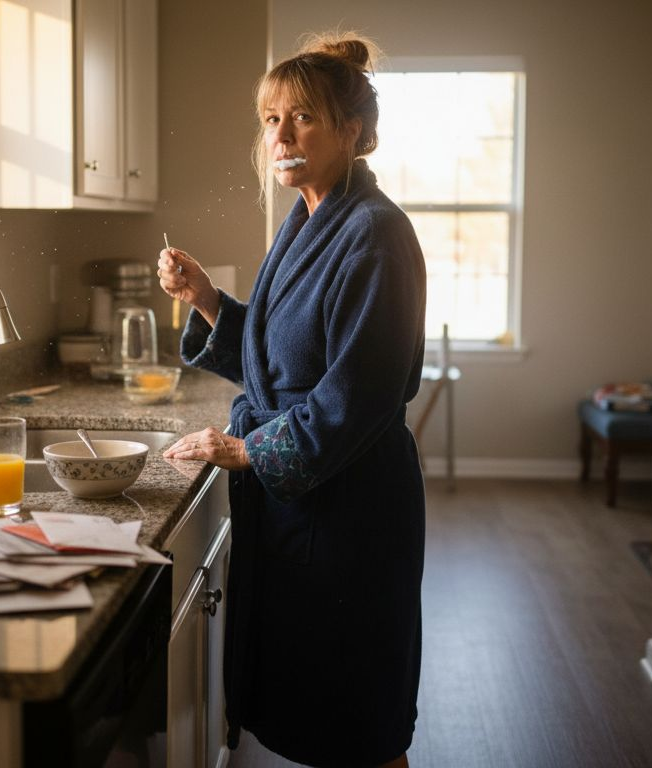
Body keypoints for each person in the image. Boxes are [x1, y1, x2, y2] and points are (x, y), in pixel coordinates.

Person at [157, 32, 427, 768]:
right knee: (324, 716)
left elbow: (358, 391)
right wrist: (209, 300)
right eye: (271, 117)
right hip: (306, 504)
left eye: (302, 116)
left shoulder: (375, 235)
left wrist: (246, 448)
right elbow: (288, 351)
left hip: (352, 514)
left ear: (355, 132)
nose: (280, 134)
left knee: (360, 726)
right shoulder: (310, 220)